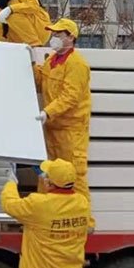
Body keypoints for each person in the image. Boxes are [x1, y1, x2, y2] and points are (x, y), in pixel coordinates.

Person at [33, 18, 92, 203]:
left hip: (71, 132)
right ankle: (46, 212)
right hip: (53, 128)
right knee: (48, 174)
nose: (54, 37)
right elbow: (40, 82)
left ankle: (82, 216)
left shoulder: (77, 64)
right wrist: (29, 63)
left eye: (58, 34)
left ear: (71, 37)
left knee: (74, 175)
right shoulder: (52, 60)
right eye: (53, 34)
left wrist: (48, 112)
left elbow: (71, 96)